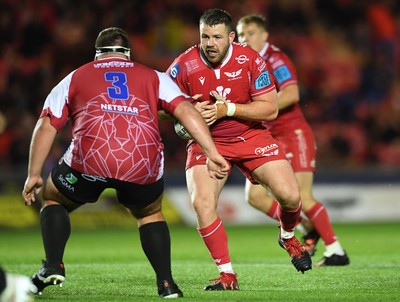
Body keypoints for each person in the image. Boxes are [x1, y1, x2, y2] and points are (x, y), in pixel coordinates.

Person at [21, 27, 230, 299]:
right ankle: (167, 284)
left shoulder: (76, 76)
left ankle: (52, 265)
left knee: (53, 199)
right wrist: (212, 152)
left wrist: (33, 174)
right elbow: (186, 111)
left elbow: (47, 124)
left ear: (97, 54)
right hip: (140, 163)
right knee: (149, 213)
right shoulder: (154, 77)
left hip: (89, 161)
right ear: (128, 54)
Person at [164, 8, 312, 291]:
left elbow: (269, 109)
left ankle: (288, 236)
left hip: (250, 135)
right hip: (207, 142)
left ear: (231, 37)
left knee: (291, 197)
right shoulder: (184, 64)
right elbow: (161, 108)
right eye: (205, 36)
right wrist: (185, 110)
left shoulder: (251, 59)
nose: (210, 44)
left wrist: (226, 109)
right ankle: (227, 274)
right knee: (202, 204)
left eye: (217, 37)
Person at [236, 15, 350, 266]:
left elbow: (291, 93)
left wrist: (260, 106)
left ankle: (336, 250)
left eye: (251, 33)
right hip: (267, 136)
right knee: (254, 197)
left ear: (265, 35)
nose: (245, 39)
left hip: (292, 133)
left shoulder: (276, 59)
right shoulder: (244, 63)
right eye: (241, 35)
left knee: (303, 196)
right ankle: (307, 228)